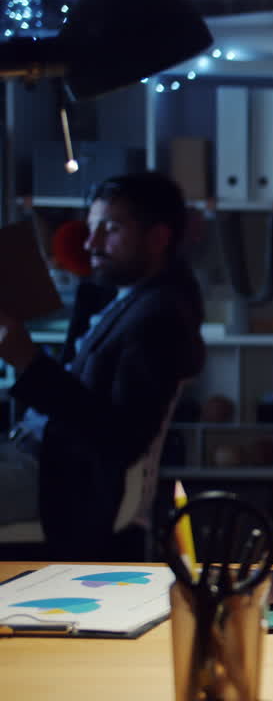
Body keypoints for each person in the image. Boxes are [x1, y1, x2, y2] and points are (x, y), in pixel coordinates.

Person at [0, 171, 205, 560]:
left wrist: (30, 363)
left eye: (110, 229)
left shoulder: (159, 317)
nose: (90, 243)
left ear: (158, 238)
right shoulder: (124, 297)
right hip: (28, 455)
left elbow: (118, 437)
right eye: (91, 228)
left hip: (54, 479)